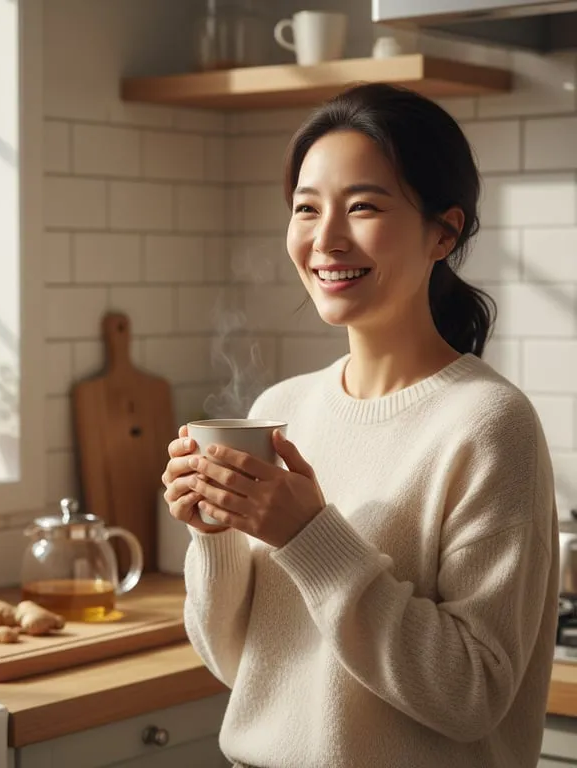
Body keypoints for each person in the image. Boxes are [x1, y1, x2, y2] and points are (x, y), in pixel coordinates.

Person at [161, 82, 559, 768]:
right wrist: (216, 535)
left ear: (445, 231)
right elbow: (240, 667)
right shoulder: (279, 411)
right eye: (306, 208)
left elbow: (471, 694)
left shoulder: (488, 424)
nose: (325, 239)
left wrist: (308, 537)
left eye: (364, 207)